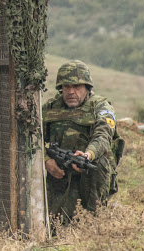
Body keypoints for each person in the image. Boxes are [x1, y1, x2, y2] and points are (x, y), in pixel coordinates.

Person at [43, 60, 122, 224]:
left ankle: (95, 219)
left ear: (87, 87)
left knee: (99, 162)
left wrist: (88, 154)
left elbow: (104, 134)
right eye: (66, 87)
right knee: (56, 226)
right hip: (60, 175)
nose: (71, 92)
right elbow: (33, 138)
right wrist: (46, 160)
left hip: (90, 176)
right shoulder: (50, 108)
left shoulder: (100, 106)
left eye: (76, 87)